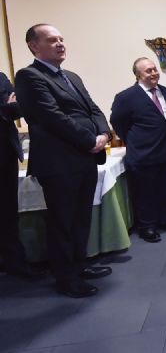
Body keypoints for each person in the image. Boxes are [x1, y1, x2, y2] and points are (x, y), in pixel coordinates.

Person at [15, 24, 112, 298]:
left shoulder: (72, 76)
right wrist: (89, 140)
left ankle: (79, 266)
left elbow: (93, 108)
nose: (60, 44)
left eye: (61, 39)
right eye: (52, 40)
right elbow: (52, 117)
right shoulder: (29, 76)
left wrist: (104, 133)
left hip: (83, 158)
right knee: (62, 222)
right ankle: (66, 279)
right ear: (34, 46)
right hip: (59, 163)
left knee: (81, 218)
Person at [110, 58, 166, 243]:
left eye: (154, 69)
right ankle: (146, 226)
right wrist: (134, 140)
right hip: (142, 154)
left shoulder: (165, 92)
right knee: (144, 193)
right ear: (138, 75)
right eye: (148, 71)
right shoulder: (126, 97)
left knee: (163, 189)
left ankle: (162, 219)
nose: (154, 73)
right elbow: (118, 123)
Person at [0, 71, 43, 278]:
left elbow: (17, 107)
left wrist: (8, 109)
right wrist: (4, 109)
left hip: (5, 154)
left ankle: (14, 263)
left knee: (8, 213)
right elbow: (7, 108)